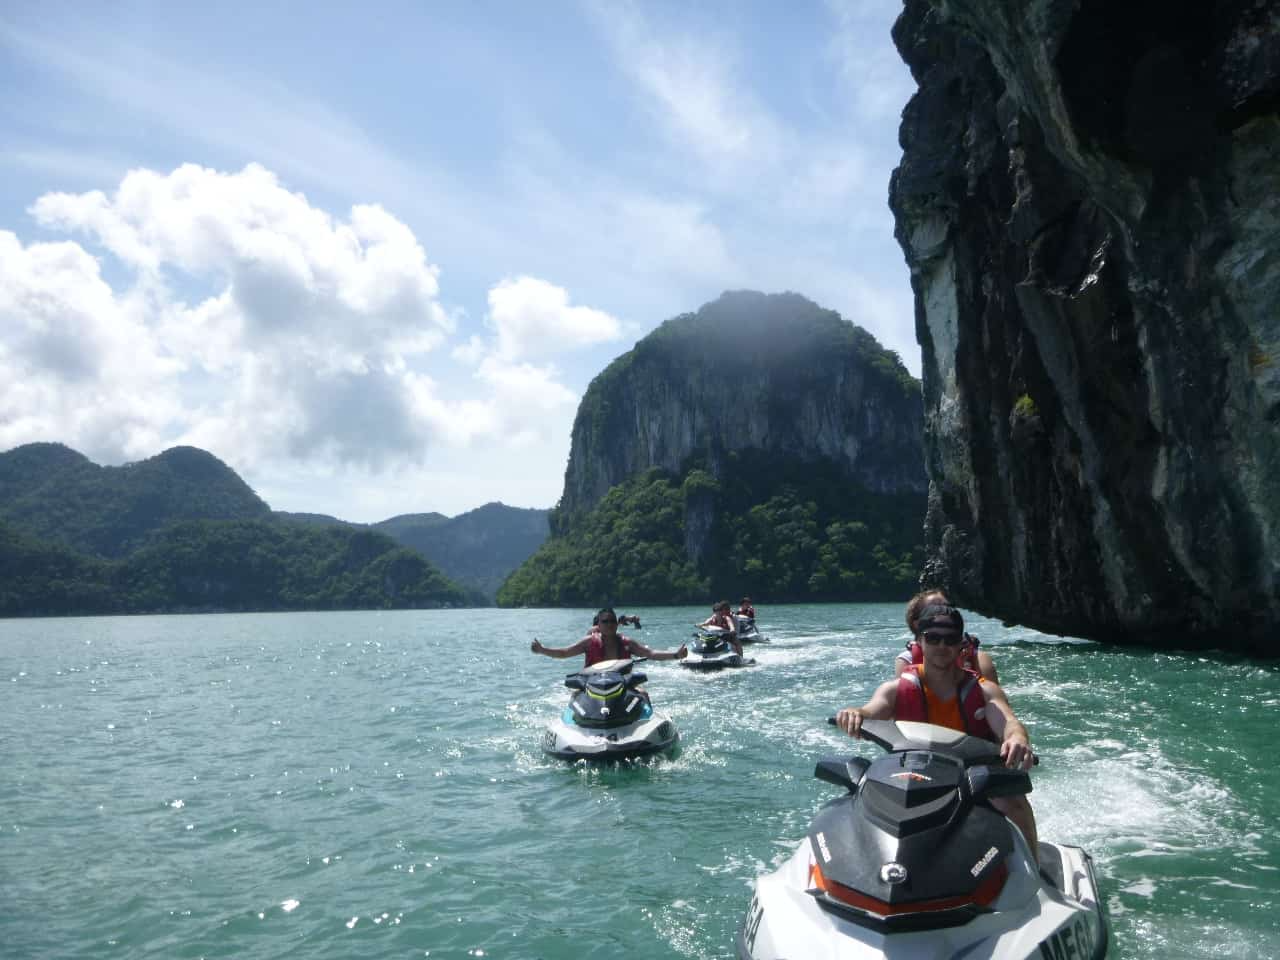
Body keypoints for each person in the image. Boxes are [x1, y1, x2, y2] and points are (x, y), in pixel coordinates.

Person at [837, 603, 1038, 861]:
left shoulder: (984, 690)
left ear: (961, 645)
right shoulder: (895, 689)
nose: (942, 646)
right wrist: (855, 714)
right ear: (919, 641)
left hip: (971, 777)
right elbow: (870, 710)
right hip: (913, 773)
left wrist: (1017, 738)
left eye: (950, 639)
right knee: (859, 798)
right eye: (933, 638)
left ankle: (1036, 869)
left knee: (1014, 803)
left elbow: (1008, 722)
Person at [896, 589, 999, 683]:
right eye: (933, 609)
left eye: (948, 607)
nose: (943, 612)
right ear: (918, 624)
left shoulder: (977, 657)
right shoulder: (907, 660)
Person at [532, 607, 685, 666]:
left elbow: (650, 653)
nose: (610, 624)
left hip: (623, 684)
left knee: (643, 694)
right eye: (605, 621)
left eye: (612, 621)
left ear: (617, 624)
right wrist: (542, 650)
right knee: (575, 697)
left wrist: (676, 655)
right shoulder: (588, 642)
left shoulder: (627, 643)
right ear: (598, 625)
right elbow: (565, 653)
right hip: (593, 685)